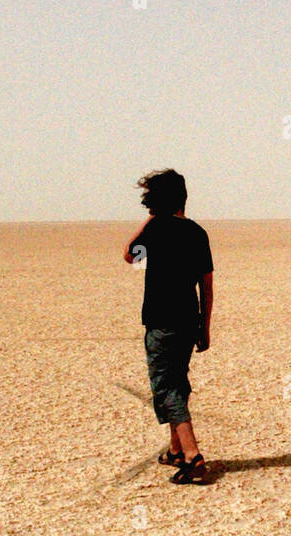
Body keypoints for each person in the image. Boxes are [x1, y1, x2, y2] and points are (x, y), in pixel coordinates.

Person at [124, 169, 214, 485]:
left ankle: (192, 455)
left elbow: (129, 256)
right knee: (179, 381)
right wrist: (205, 327)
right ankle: (176, 450)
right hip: (189, 320)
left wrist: (149, 221)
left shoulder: (156, 228)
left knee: (168, 388)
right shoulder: (197, 232)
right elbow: (207, 284)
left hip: (162, 323)